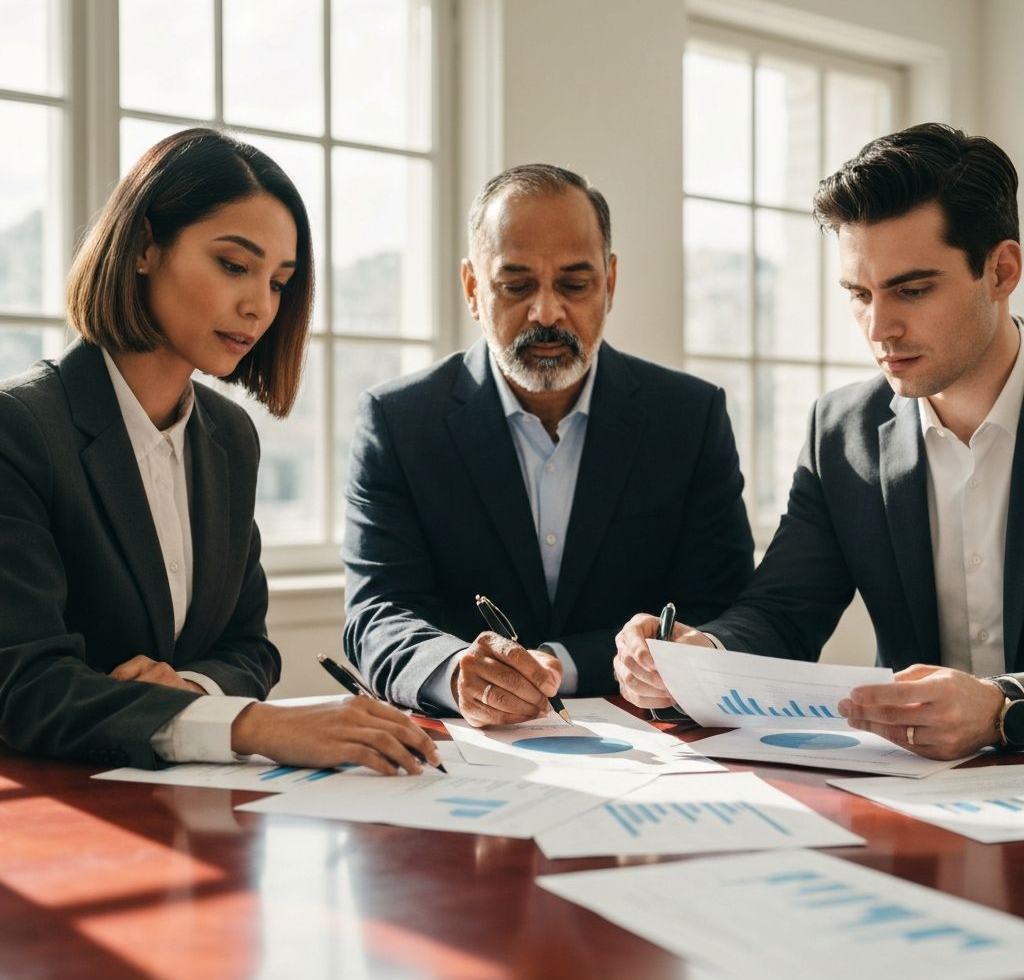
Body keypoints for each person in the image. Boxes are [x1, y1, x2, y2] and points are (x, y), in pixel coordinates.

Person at [0, 127, 439, 775]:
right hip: (59, 818)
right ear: (145, 245)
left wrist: (194, 697)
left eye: (280, 281)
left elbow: (248, 647)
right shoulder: (21, 430)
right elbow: (26, 685)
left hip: (195, 807)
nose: (259, 306)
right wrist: (254, 724)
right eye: (235, 265)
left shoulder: (229, 437)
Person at [614, 122, 1024, 761]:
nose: (879, 327)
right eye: (860, 295)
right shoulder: (843, 432)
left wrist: (1005, 707)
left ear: (1001, 270)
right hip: (924, 802)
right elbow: (784, 611)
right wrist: (699, 660)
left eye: (913, 290)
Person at [342, 163, 753, 727]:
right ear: (472, 288)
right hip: (465, 750)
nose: (547, 313)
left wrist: (562, 663)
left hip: (651, 744)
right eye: (516, 286)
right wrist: (454, 670)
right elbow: (377, 611)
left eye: (574, 284)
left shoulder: (689, 416)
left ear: (610, 281)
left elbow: (720, 606)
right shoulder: (398, 420)